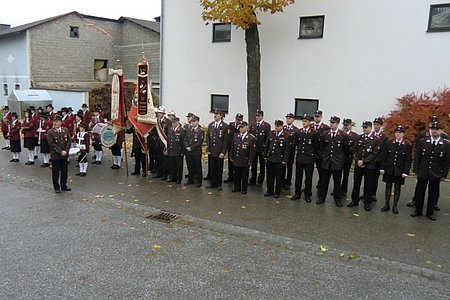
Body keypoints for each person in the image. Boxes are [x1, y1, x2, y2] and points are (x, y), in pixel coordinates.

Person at [411, 122, 449, 221]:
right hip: (423, 171)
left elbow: (446, 161)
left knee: (433, 193)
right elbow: (417, 157)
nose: (434, 131)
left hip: (435, 172)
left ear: (441, 131)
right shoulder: (422, 141)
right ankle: (418, 211)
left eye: (437, 129)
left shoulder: (445, 144)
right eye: (432, 129)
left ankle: (430, 212)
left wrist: (444, 174)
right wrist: (415, 169)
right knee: (420, 192)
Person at [347, 121, 382, 211]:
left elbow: (375, 153)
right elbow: (354, 150)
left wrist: (364, 161)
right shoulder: (359, 137)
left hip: (369, 166)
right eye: (363, 128)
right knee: (356, 183)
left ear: (370, 128)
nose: (364, 129)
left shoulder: (376, 139)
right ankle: (354, 200)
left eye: (366, 128)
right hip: (359, 165)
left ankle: (367, 202)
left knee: (368, 184)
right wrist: (357, 160)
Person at [379, 125, 412, 214]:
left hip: (399, 170)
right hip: (389, 168)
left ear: (403, 134)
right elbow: (384, 157)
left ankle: (395, 205)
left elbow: (408, 160)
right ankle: (386, 204)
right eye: (396, 132)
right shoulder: (389, 143)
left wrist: (406, 171)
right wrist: (382, 168)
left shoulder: (407, 145)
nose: (398, 134)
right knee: (388, 186)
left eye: (400, 133)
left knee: (397, 187)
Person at [318, 116, 350, 207]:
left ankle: (338, 199)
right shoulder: (325, 134)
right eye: (331, 122)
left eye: (333, 123)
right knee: (324, 181)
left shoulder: (343, 135)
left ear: (337, 124)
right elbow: (322, 148)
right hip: (326, 162)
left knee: (337, 182)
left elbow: (346, 150)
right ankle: (321, 197)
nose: (331, 124)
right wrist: (324, 157)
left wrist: (341, 160)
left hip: (337, 163)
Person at [291, 114, 318, 202]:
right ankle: (297, 193)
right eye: (303, 121)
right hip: (300, 158)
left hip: (309, 159)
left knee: (308, 178)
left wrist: (313, 157)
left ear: (310, 122)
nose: (304, 123)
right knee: (298, 177)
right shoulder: (299, 132)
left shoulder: (314, 133)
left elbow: (316, 146)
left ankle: (307, 193)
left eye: (306, 121)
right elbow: (295, 144)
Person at [264, 120, 290, 198]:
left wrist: (285, 160)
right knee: (269, 176)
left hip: (279, 159)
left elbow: (287, 149)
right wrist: (265, 155)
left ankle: (277, 192)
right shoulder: (271, 133)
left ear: (282, 126)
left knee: (278, 177)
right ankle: (269, 190)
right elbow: (267, 145)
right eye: (275, 126)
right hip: (271, 158)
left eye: (278, 126)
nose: (276, 127)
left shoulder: (286, 135)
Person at [46, 115, 72, 193]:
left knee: (64, 171)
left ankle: (64, 185)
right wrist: (60, 151)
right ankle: (56, 187)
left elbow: (69, 141)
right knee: (56, 172)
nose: (55, 123)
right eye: (54, 121)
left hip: (64, 155)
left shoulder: (65, 130)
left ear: (61, 122)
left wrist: (66, 151)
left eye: (57, 121)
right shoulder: (50, 132)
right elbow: (52, 144)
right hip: (56, 155)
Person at [206, 109, 229, 191]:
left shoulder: (225, 126)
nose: (215, 116)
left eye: (217, 114)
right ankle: (213, 183)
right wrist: (208, 148)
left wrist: (223, 152)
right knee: (212, 168)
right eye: (214, 114)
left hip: (219, 151)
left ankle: (219, 184)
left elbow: (226, 140)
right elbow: (208, 137)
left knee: (219, 168)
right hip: (211, 151)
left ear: (221, 116)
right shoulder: (211, 125)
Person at [230, 121, 256, 194]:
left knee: (244, 175)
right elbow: (233, 147)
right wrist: (231, 156)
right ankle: (236, 187)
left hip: (245, 159)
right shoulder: (236, 136)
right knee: (236, 174)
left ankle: (244, 188)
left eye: (242, 127)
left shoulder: (251, 138)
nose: (240, 129)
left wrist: (250, 160)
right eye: (240, 127)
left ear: (246, 127)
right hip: (236, 158)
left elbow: (252, 151)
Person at [249, 109, 271, 187]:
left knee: (262, 165)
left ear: (262, 116)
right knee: (253, 164)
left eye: (258, 116)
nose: (257, 117)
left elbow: (268, 138)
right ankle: (253, 179)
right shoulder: (253, 125)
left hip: (262, 148)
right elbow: (251, 137)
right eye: (256, 116)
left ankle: (260, 180)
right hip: (254, 148)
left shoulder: (266, 125)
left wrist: (266, 149)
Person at [311, 110, 330, 192]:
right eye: (315, 116)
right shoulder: (310, 126)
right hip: (311, 152)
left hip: (320, 153)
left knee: (321, 172)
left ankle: (320, 187)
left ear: (321, 117)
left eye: (318, 116)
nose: (316, 118)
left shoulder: (325, 128)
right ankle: (307, 187)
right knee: (309, 173)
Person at [184, 115, 204, 187]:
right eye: (191, 121)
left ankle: (199, 181)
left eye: (193, 121)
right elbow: (185, 138)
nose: (192, 123)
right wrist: (187, 146)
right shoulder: (189, 129)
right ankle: (190, 179)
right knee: (190, 166)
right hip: (188, 151)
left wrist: (191, 148)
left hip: (196, 151)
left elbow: (199, 142)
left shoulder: (200, 131)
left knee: (197, 166)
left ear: (197, 122)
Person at [372, 117, 389, 201]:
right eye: (374, 124)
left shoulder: (385, 137)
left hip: (378, 160)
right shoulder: (371, 135)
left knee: (374, 178)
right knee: (368, 178)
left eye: (377, 125)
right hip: (370, 160)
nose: (375, 126)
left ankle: (373, 194)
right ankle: (366, 193)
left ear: (381, 126)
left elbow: (384, 151)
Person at [341, 118, 359, 197]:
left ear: (350, 126)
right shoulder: (340, 133)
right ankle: (337, 189)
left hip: (348, 157)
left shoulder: (354, 136)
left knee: (346, 174)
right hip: (339, 157)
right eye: (344, 125)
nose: (345, 127)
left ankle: (344, 190)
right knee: (337, 175)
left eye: (347, 125)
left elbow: (355, 147)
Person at [225, 113, 244, 183]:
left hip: (238, 147)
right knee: (230, 161)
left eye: (239, 120)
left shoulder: (242, 126)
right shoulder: (231, 125)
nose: (237, 121)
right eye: (237, 119)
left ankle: (238, 177)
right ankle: (230, 176)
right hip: (231, 146)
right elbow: (228, 135)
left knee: (237, 162)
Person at [166, 117, 186, 183]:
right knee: (172, 165)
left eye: (174, 122)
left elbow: (183, 142)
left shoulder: (182, 130)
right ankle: (173, 177)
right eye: (172, 122)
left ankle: (179, 178)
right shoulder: (170, 129)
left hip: (178, 151)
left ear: (177, 122)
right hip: (171, 150)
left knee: (179, 166)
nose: (173, 124)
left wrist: (182, 152)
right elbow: (169, 140)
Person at [283, 113, 299, 190]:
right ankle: (282, 181)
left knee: (289, 167)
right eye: (287, 118)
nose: (288, 120)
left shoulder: (296, 130)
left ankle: (288, 182)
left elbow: (295, 142)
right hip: (282, 152)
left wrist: (289, 146)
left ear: (293, 119)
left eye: (289, 118)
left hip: (290, 152)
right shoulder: (283, 128)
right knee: (282, 167)